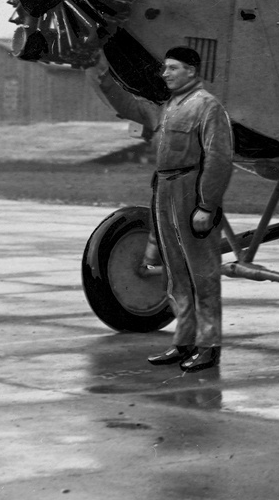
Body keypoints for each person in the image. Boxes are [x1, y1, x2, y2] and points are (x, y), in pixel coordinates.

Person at [96, 47, 233, 373]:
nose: (165, 73)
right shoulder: (167, 108)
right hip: (165, 190)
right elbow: (129, 105)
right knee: (175, 274)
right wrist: (102, 78)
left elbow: (219, 159)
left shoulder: (207, 107)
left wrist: (206, 205)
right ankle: (183, 342)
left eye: (173, 68)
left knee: (203, 274)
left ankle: (209, 346)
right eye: (165, 69)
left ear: (191, 71)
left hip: (191, 190)